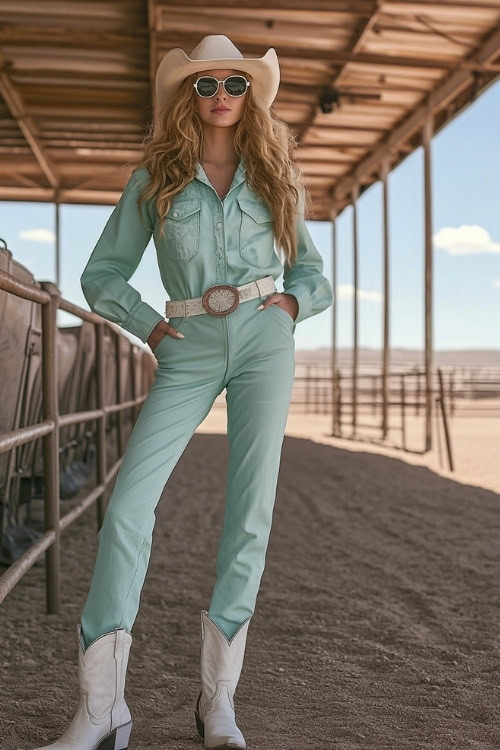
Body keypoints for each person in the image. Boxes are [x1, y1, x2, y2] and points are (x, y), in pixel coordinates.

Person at [33, 34, 333, 750]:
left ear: (250, 93)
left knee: (250, 513)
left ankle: (217, 702)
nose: (222, 95)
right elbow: (102, 274)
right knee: (130, 503)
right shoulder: (155, 178)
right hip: (188, 345)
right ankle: (102, 710)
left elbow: (313, 274)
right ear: (187, 96)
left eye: (235, 82)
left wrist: (291, 307)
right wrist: (151, 327)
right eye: (206, 85)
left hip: (265, 339)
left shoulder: (277, 175)